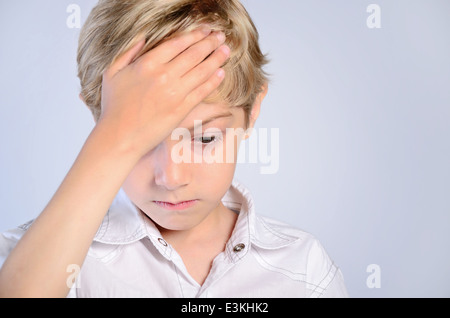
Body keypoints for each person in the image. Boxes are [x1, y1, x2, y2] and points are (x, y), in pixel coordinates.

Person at [0, 0, 348, 297]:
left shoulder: (302, 268)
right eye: (141, 142)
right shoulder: (34, 264)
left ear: (252, 111)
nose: (171, 177)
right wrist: (114, 135)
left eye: (206, 138)